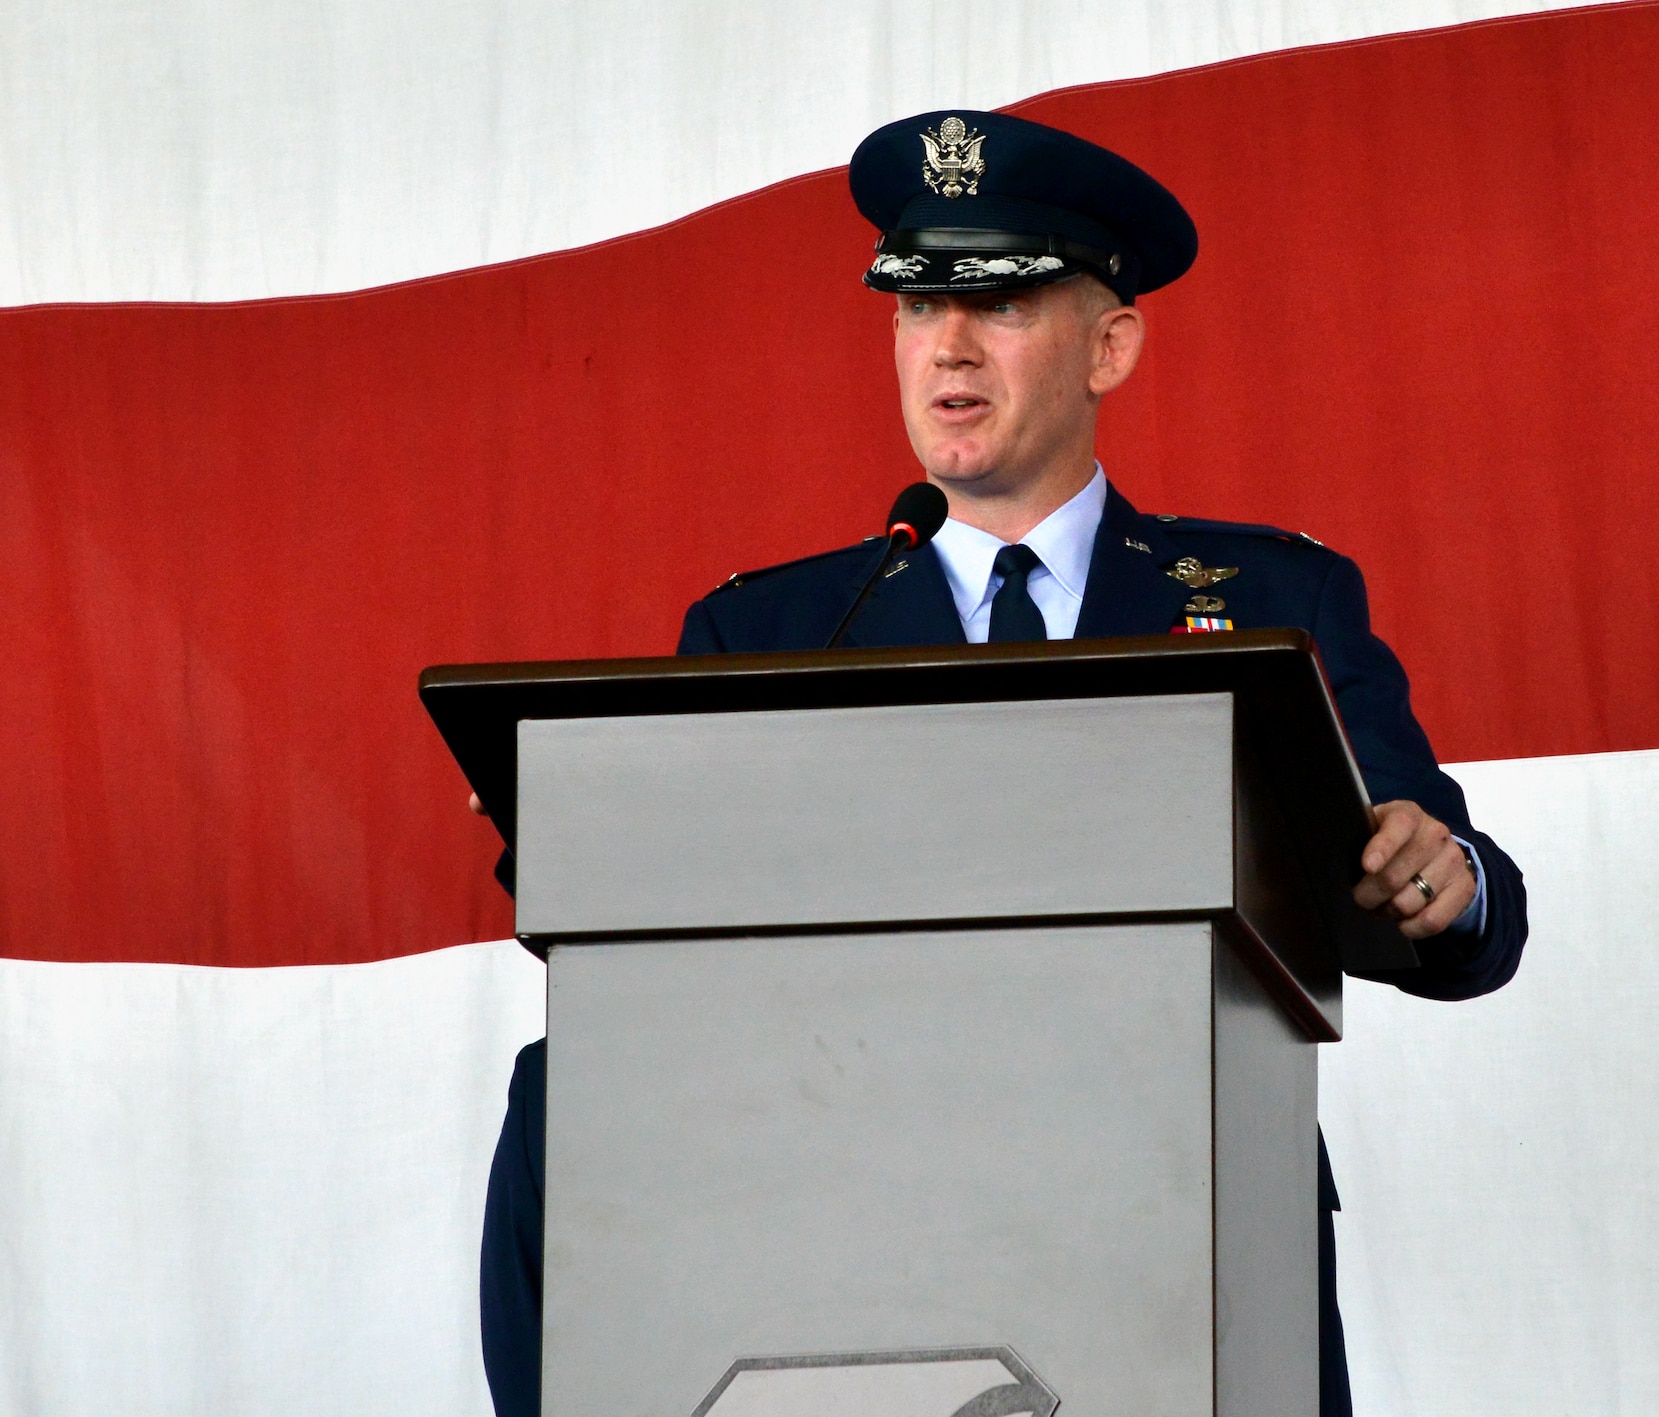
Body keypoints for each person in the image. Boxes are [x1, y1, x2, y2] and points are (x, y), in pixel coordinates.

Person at [478, 109, 1528, 1417]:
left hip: (1173, 1196)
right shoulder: (774, 629)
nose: (950, 349)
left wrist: (1443, 879)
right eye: (918, 310)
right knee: (562, 1085)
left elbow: (1461, 901)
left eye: (1004, 305)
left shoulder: (1270, 598)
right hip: (835, 1193)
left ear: (1112, 343)